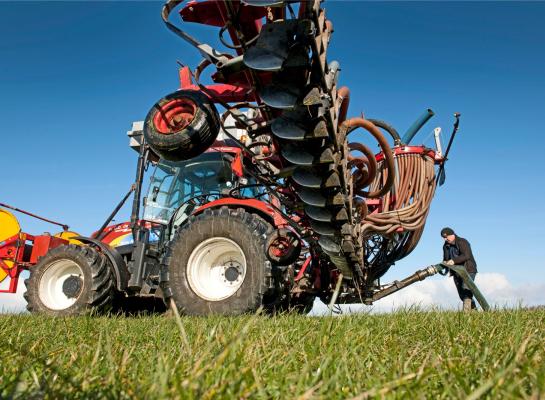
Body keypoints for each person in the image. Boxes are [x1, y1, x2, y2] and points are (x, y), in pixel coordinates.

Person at [441, 227, 478, 311]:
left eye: (447, 237)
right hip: (456, 272)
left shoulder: (462, 242)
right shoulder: (445, 246)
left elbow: (466, 255)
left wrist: (453, 261)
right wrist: (444, 266)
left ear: (452, 234)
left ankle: (466, 313)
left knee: (466, 290)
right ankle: (474, 311)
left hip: (468, 270)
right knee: (462, 295)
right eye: (443, 238)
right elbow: (445, 259)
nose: (445, 239)